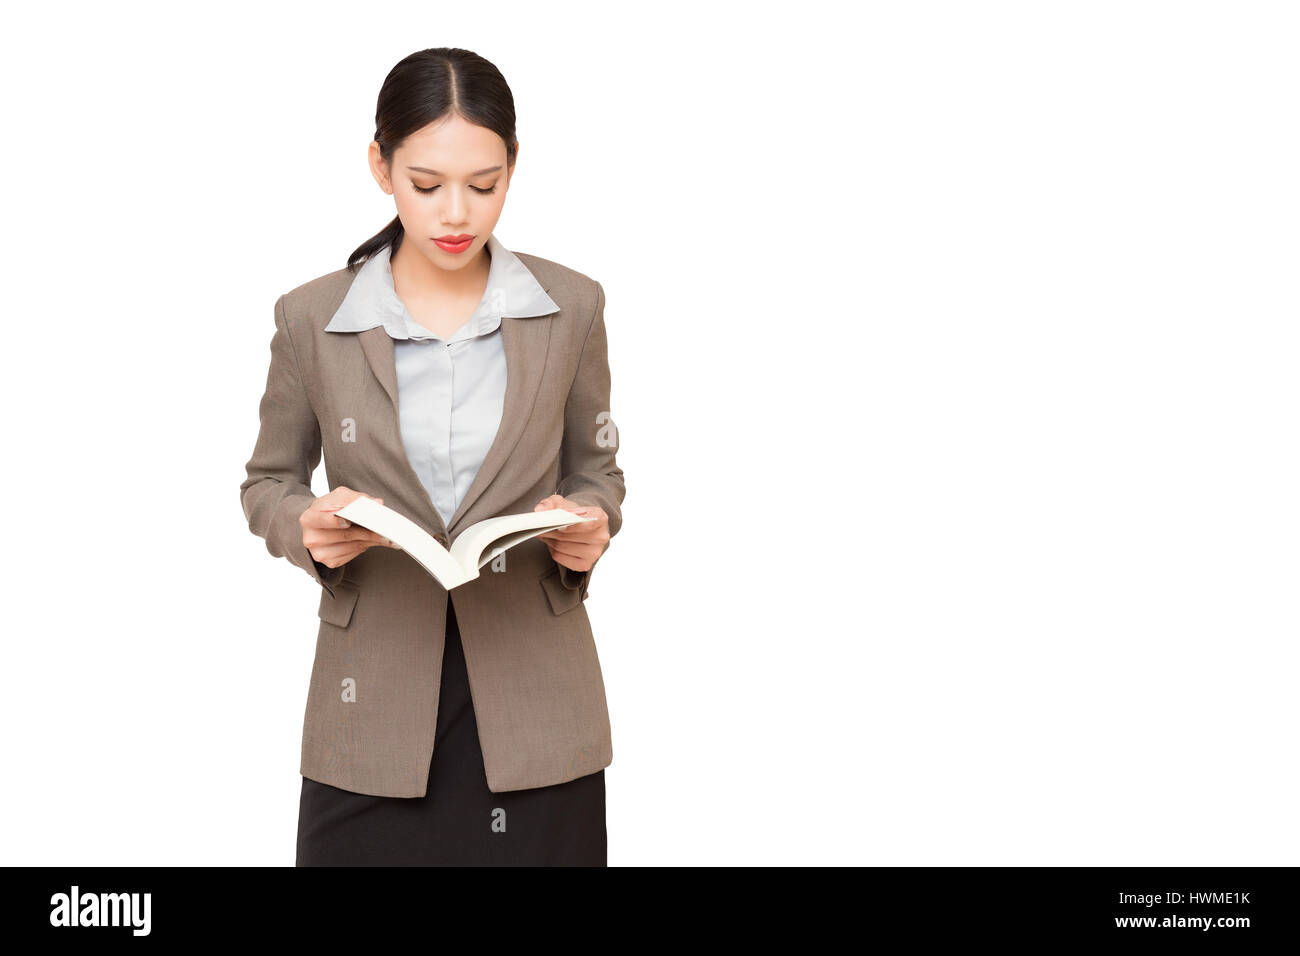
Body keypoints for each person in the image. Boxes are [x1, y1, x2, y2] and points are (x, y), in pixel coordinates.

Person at [239, 47, 625, 866]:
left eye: (484, 185)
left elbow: (596, 469)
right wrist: (304, 528)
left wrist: (593, 525)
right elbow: (267, 480)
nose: (458, 214)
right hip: (370, 707)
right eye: (427, 184)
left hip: (537, 706)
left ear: (514, 167)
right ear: (379, 166)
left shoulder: (573, 306)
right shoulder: (312, 318)